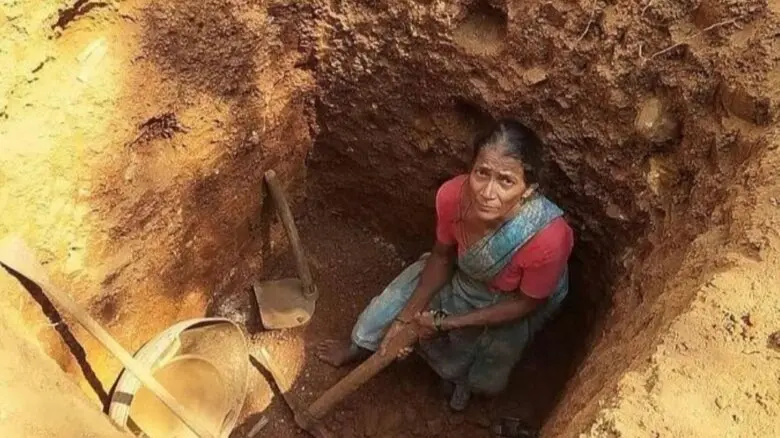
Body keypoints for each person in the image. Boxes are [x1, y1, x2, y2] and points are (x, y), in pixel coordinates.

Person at [316, 119, 574, 411]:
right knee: (385, 312)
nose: (487, 192)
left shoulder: (548, 238)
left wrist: (445, 323)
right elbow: (441, 257)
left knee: (482, 366)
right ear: (471, 169)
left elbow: (526, 303)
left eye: (506, 181)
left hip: (508, 298)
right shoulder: (453, 196)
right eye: (482, 173)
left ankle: (457, 380)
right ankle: (359, 347)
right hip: (462, 274)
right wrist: (404, 320)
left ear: (528, 190)